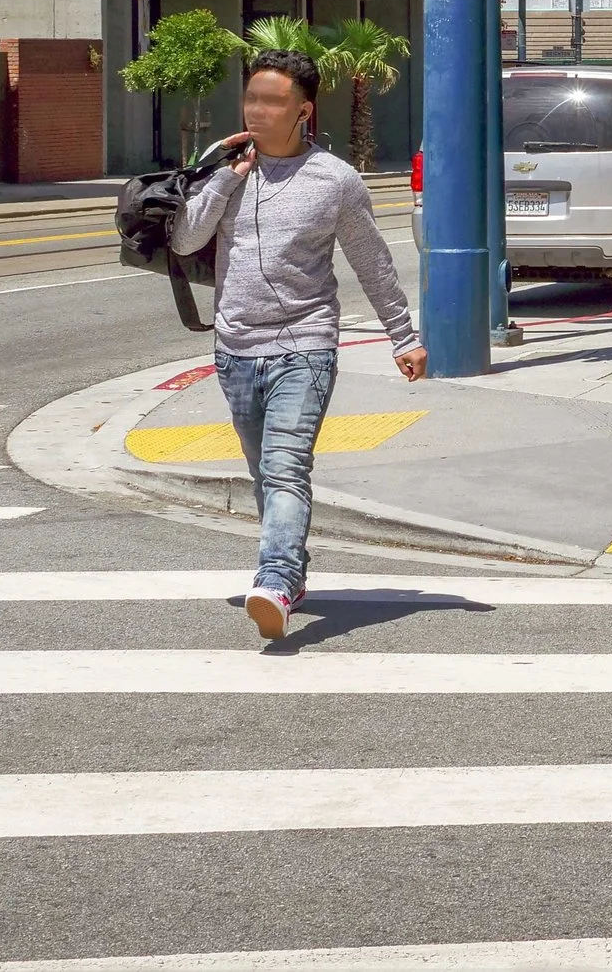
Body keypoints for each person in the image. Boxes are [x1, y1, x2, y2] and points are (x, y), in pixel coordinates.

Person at [171, 48, 425, 641]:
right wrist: (225, 179)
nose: (258, 111)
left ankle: (277, 581)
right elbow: (185, 240)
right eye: (252, 99)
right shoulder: (227, 171)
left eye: (273, 101)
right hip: (234, 349)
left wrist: (403, 337)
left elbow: (372, 263)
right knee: (266, 473)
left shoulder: (334, 180)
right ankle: (292, 572)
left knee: (286, 469)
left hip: (304, 346)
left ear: (303, 110)